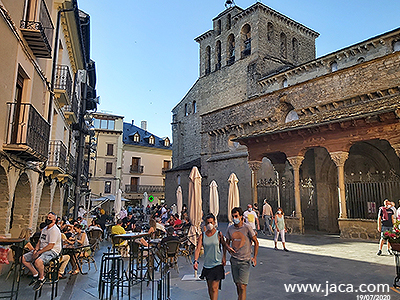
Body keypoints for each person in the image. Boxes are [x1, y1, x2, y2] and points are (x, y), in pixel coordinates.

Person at [22, 212, 62, 291]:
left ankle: (41, 277)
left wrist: (38, 253)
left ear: (54, 220)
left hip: (52, 251)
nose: (47, 219)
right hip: (41, 249)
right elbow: (40, 241)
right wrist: (35, 250)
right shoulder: (44, 229)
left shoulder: (54, 230)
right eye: (47, 217)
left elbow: (51, 246)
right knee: (23, 258)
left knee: (38, 261)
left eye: (50, 218)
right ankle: (35, 274)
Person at [226, 207, 259, 300]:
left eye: (236, 216)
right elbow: (226, 243)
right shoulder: (230, 228)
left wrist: (255, 257)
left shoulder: (247, 227)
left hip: (245, 260)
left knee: (242, 286)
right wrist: (228, 248)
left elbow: (256, 242)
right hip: (234, 260)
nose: (234, 218)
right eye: (233, 216)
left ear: (241, 216)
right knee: (237, 285)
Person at [193, 213, 228, 300]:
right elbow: (198, 249)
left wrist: (224, 257)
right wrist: (195, 260)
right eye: (208, 223)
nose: (210, 225)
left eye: (211, 222)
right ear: (205, 223)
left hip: (217, 263)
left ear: (214, 222)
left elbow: (224, 245)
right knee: (209, 288)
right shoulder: (202, 236)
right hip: (207, 264)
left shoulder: (218, 234)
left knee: (214, 288)